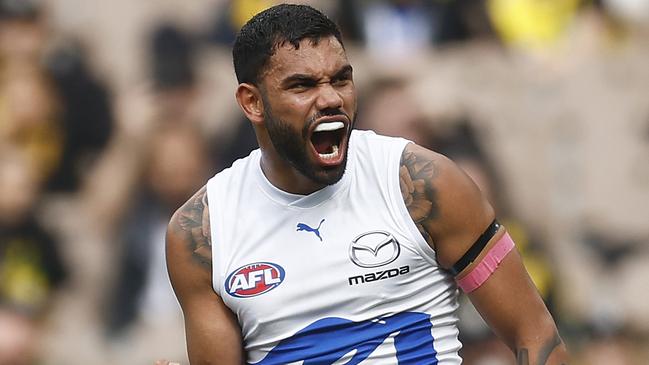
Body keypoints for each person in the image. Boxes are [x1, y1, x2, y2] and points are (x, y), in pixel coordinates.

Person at [164, 4, 569, 364]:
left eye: (341, 79)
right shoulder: (203, 232)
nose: (331, 99)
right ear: (252, 102)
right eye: (303, 85)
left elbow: (535, 335)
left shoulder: (423, 185)